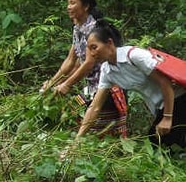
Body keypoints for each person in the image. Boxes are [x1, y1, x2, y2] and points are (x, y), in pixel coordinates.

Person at [77, 19, 186, 148]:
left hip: (179, 100)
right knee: (163, 146)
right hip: (162, 108)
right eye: (89, 49)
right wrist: (78, 139)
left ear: (109, 43)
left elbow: (165, 82)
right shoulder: (107, 71)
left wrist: (167, 118)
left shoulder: (134, 56)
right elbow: (95, 107)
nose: (92, 53)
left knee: (160, 146)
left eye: (94, 47)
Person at [41, 0, 127, 137]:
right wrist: (52, 83)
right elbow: (71, 60)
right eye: (68, 3)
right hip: (91, 86)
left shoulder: (93, 30)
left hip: (108, 85)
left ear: (85, 6)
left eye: (73, 3)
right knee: (72, 113)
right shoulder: (78, 28)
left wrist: (67, 84)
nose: (68, 7)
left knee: (100, 131)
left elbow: (88, 63)